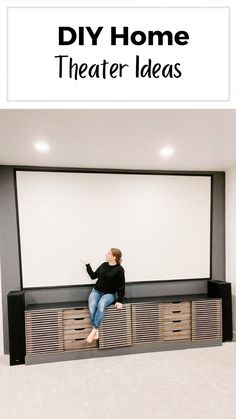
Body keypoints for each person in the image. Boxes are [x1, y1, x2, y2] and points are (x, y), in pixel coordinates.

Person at [81, 248, 125, 343]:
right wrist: (87, 265)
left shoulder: (119, 270)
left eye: (108, 253)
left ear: (114, 257)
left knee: (101, 305)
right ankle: (96, 330)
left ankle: (94, 330)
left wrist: (119, 300)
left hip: (109, 294)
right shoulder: (103, 265)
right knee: (92, 306)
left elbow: (121, 286)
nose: (106, 254)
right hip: (96, 291)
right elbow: (93, 276)